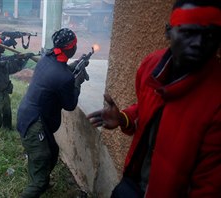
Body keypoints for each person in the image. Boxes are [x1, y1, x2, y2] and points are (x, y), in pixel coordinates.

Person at [87, 0, 221, 197]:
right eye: (188, 33)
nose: (199, 44)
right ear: (169, 32)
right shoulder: (152, 65)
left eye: (210, 35)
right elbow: (146, 109)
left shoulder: (216, 97)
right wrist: (123, 118)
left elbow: (209, 186)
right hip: (133, 183)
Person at [16, 28, 89, 198]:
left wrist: (75, 66)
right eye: (75, 45)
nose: (76, 47)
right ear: (71, 48)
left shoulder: (46, 59)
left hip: (28, 114)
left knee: (52, 152)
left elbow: (58, 73)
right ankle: (39, 183)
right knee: (41, 169)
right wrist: (77, 82)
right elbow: (70, 104)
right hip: (35, 123)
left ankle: (40, 179)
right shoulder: (65, 77)